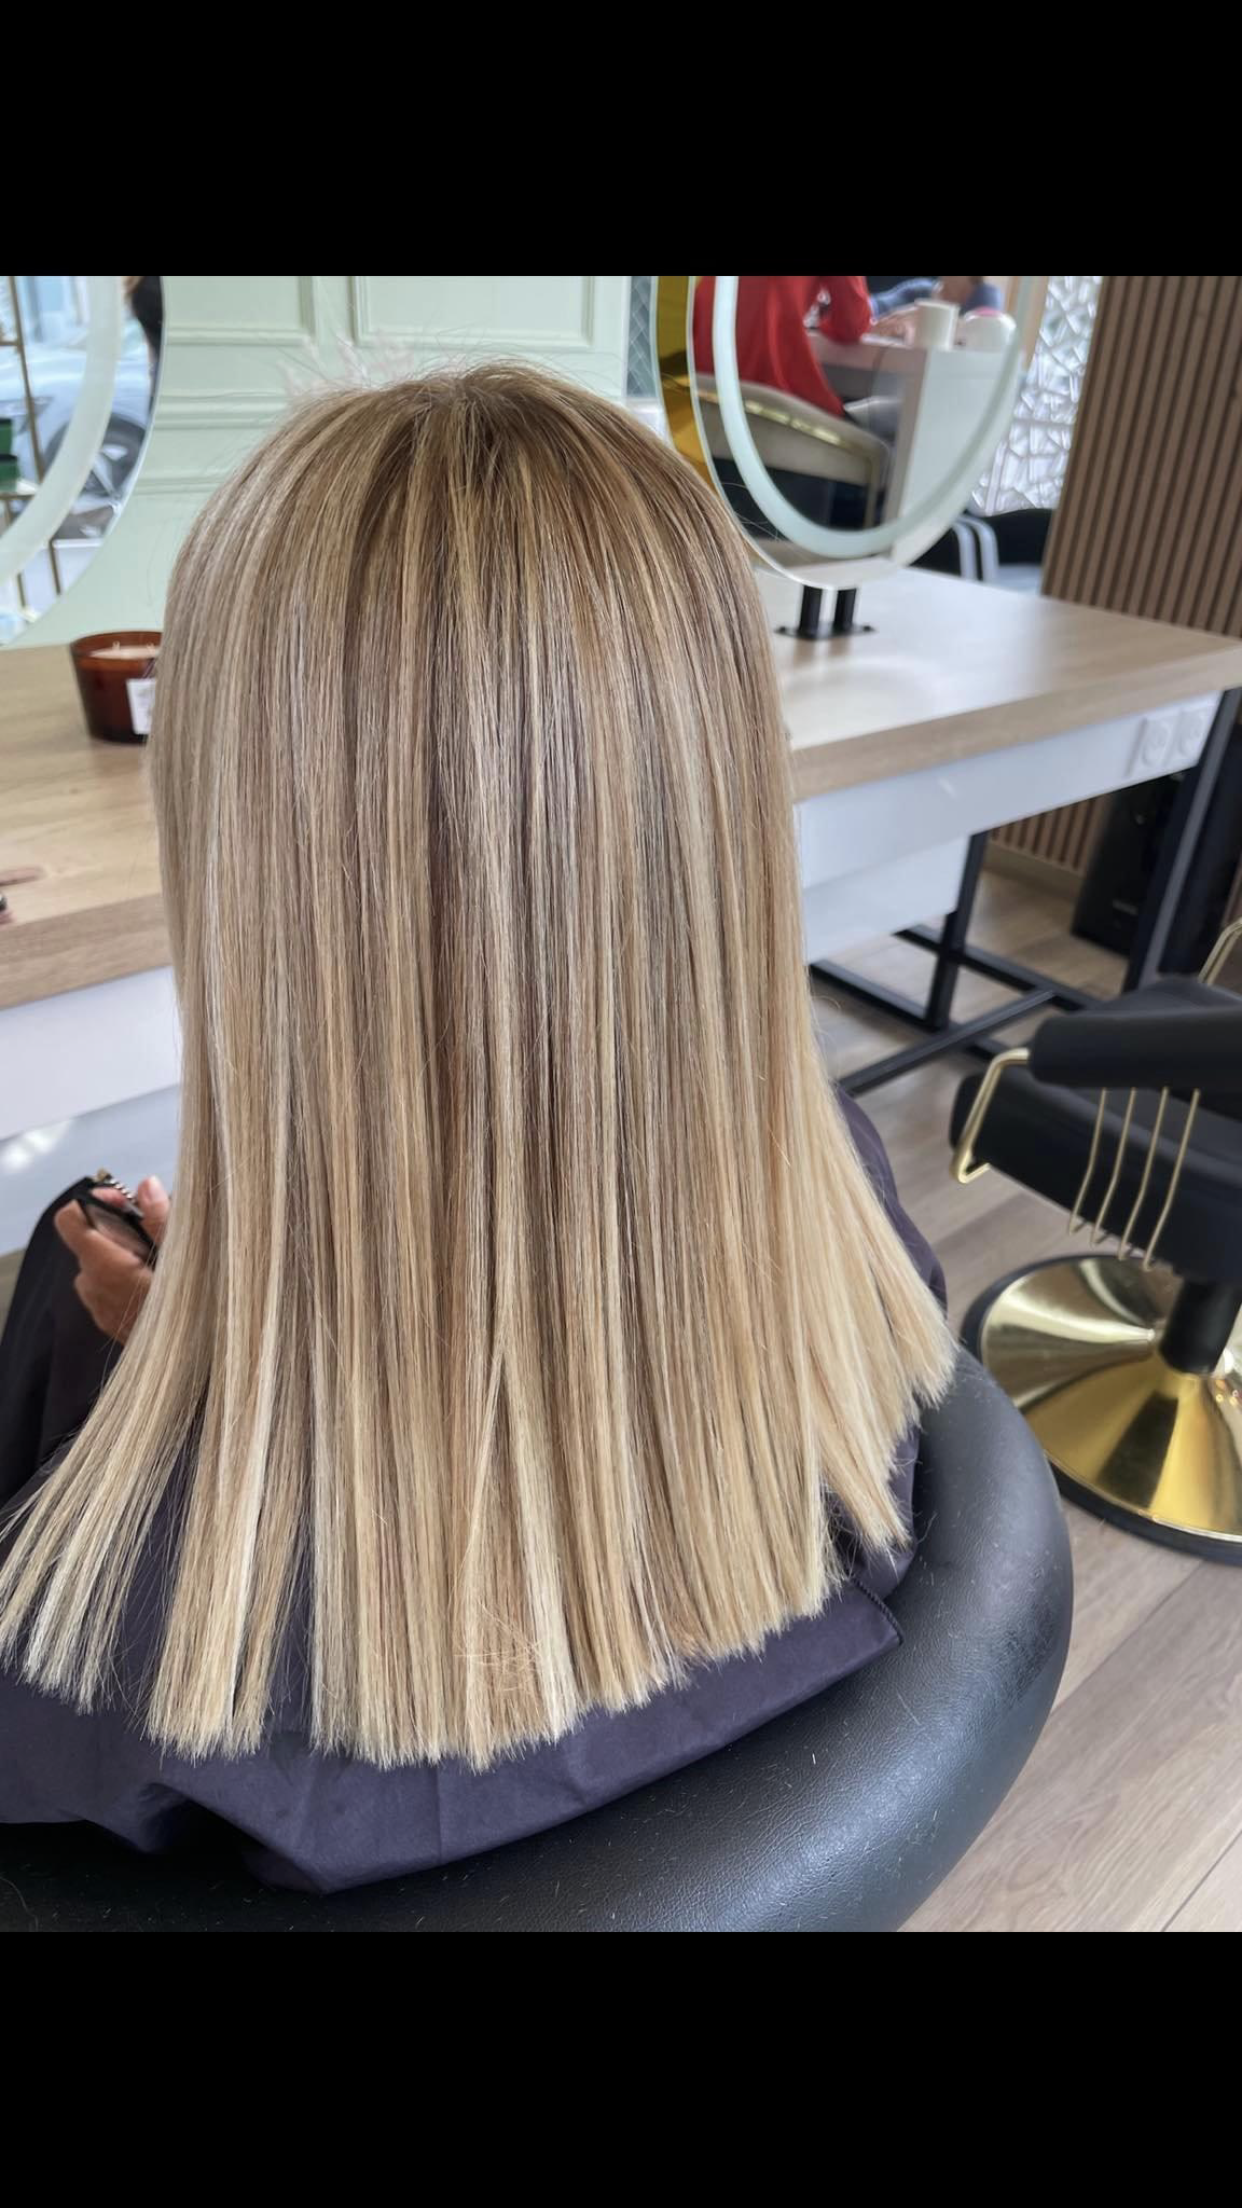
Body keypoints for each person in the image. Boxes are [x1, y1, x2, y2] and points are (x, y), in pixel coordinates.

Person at [0, 366, 951, 1892]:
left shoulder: (149, 1599)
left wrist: (172, 1401)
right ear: (715, 807)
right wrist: (237, 1349)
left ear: (247, 861)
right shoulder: (841, 1200)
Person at [693, 274, 871, 417]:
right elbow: (852, 325)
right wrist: (822, 323)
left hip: (696, 388)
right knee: (877, 430)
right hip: (770, 396)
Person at [870, 275, 1006, 339]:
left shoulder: (986, 294)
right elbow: (873, 306)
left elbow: (983, 332)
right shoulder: (919, 290)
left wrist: (925, 318)